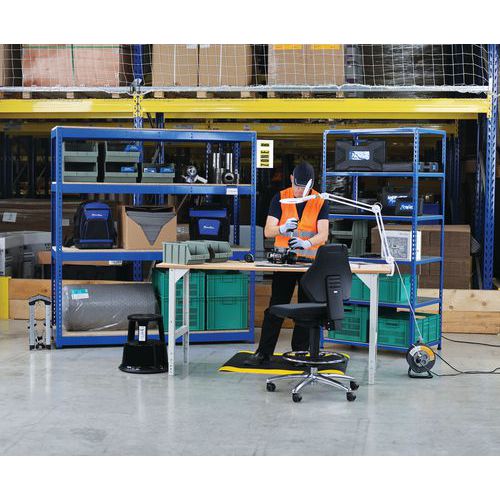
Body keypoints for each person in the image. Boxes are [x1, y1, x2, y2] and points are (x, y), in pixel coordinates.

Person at [244, 161, 329, 366]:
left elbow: (323, 233)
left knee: (307, 309)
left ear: (312, 184)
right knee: (276, 306)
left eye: (305, 187)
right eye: (297, 185)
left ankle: (300, 354)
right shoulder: (280, 198)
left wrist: (307, 242)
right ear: (291, 179)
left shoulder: (320, 201)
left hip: (309, 264)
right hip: (284, 262)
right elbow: (268, 231)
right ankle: (264, 353)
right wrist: (282, 228)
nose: (300, 191)